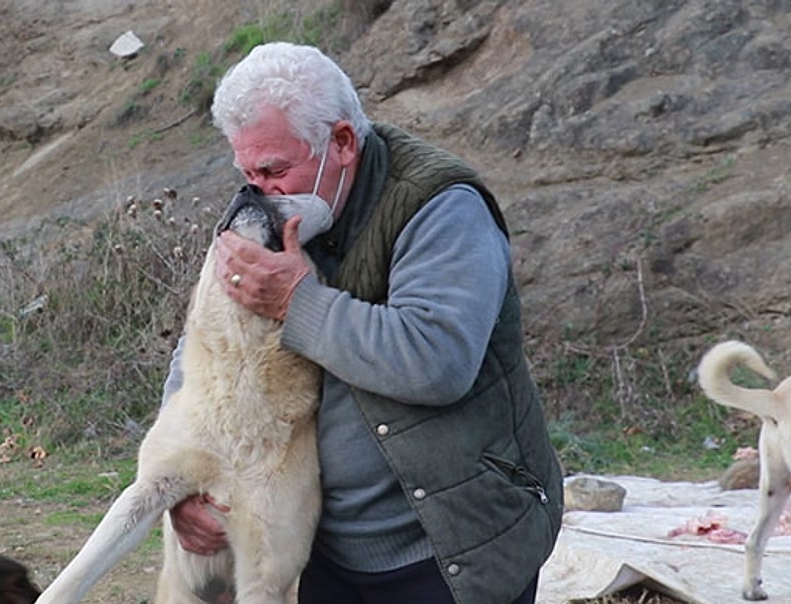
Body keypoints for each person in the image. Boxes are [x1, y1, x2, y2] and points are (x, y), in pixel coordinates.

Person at [161, 41, 563, 604]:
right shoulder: (268, 204)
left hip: (453, 549)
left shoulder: (440, 206)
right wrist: (184, 486)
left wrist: (296, 302)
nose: (260, 189)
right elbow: (204, 342)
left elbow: (437, 360)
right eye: (247, 170)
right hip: (328, 552)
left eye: (274, 169)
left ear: (343, 142)